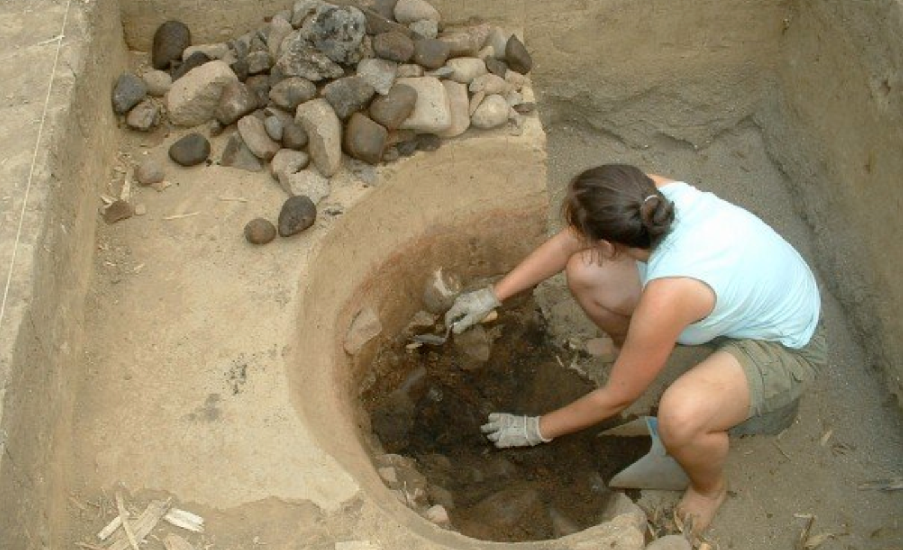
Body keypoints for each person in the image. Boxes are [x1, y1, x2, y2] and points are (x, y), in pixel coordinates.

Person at [443, 164, 826, 533]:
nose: (575, 234)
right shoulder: (646, 196)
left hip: (785, 344)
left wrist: (535, 429)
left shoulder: (668, 293)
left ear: (610, 245)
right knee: (584, 271)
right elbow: (569, 244)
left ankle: (710, 490)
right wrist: (493, 295)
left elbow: (617, 397)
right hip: (741, 297)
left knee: (680, 416)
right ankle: (631, 347)